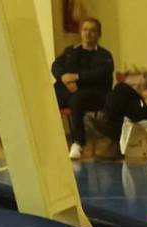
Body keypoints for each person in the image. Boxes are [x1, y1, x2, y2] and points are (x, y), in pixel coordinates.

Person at [52, 17, 114, 160]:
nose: (88, 33)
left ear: (99, 34)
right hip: (69, 89)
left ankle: (78, 142)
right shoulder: (70, 51)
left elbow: (99, 74)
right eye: (85, 30)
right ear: (80, 32)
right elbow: (56, 66)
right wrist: (63, 77)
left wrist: (77, 78)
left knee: (77, 100)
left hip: (96, 94)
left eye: (92, 30)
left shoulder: (104, 55)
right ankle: (48, 139)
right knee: (50, 95)